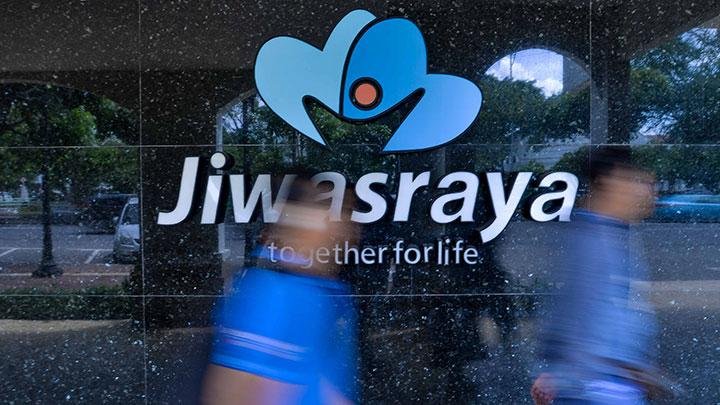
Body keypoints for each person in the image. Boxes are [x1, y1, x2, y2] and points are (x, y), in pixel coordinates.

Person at [201, 172, 360, 405]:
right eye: (335, 214)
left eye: (347, 215)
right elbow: (228, 392)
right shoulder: (271, 292)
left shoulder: (316, 291)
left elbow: (319, 383)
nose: (346, 228)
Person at [532, 146, 669, 404]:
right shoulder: (591, 239)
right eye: (638, 182)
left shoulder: (614, 235)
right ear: (611, 180)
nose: (650, 193)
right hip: (594, 389)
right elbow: (573, 309)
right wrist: (558, 374)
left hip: (605, 385)